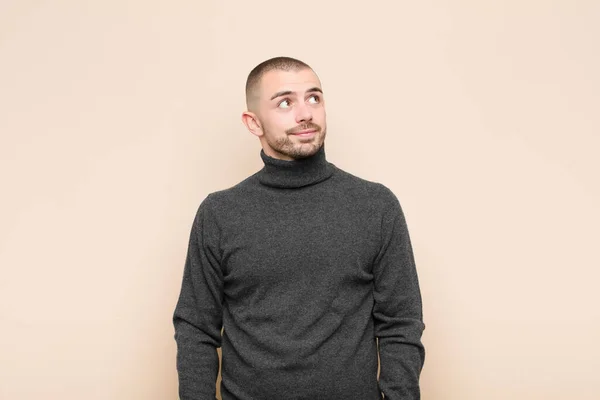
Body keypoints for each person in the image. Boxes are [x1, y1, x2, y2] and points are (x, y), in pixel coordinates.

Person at [173, 56, 426, 400]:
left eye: (314, 98)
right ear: (253, 122)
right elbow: (195, 329)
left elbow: (401, 324)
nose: (305, 113)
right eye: (285, 102)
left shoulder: (375, 206)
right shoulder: (219, 213)